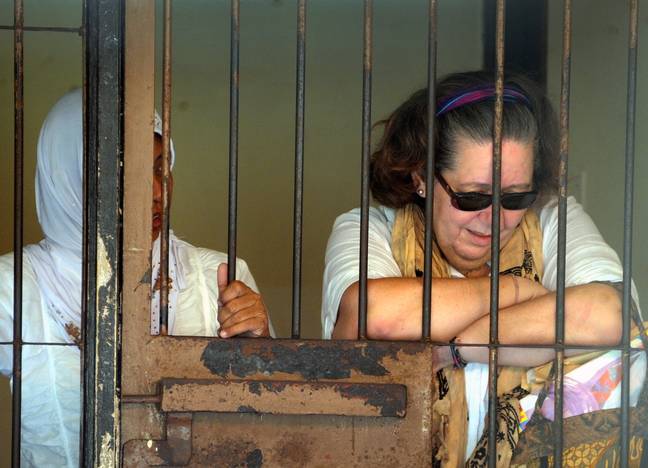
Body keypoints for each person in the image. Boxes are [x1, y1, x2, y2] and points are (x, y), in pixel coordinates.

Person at [321, 71, 644, 465]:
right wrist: (516, 293)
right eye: (473, 198)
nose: (493, 220)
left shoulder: (552, 219)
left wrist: (462, 348)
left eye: (514, 197)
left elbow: (610, 315)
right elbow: (374, 316)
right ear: (422, 177)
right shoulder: (369, 229)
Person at [0, 89, 272, 467]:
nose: (157, 192)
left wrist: (261, 352)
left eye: (161, 168)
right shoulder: (13, 286)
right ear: (69, 179)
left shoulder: (221, 278)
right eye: (127, 173)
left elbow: (263, 425)